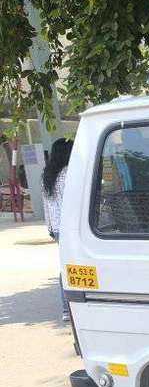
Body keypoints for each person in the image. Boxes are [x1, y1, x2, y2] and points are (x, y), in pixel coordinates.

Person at [43, 137, 73, 322]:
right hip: (70, 227)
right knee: (73, 267)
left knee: (64, 266)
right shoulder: (70, 173)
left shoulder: (47, 175)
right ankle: (70, 307)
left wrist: (50, 228)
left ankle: (65, 309)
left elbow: (46, 205)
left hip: (57, 227)